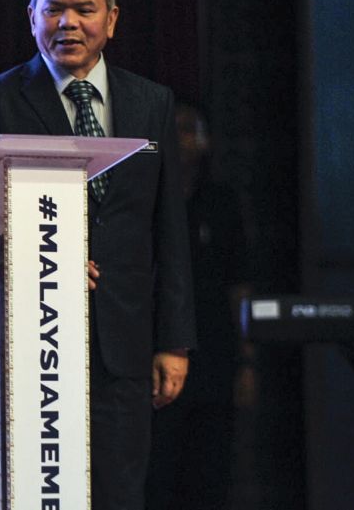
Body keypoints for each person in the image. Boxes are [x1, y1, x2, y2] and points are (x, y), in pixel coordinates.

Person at [0, 0, 196, 510]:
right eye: (53, 9)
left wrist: (174, 341)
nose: (68, 23)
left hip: (125, 347)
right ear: (32, 17)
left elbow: (170, 230)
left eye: (84, 9)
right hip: (29, 347)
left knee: (118, 493)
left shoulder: (152, 102)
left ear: (111, 20)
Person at [145, 101, 255, 510]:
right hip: (156, 356)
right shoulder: (145, 202)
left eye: (190, 130)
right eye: (173, 130)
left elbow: (239, 288)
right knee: (159, 472)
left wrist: (247, 363)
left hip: (215, 356)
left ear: (206, 142)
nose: (181, 140)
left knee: (210, 473)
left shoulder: (222, 204)